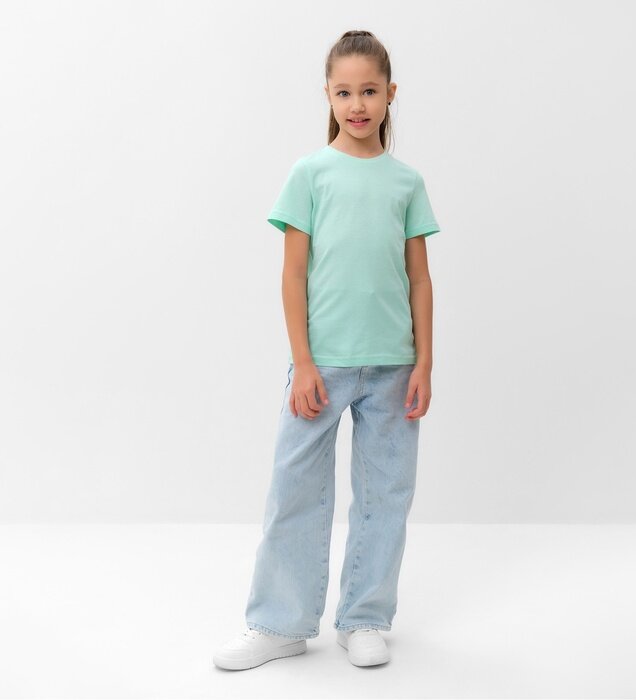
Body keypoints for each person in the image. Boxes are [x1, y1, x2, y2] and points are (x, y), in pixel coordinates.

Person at [213, 29, 440, 671]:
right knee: (296, 490)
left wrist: (425, 362)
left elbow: (420, 279)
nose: (357, 104)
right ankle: (279, 623)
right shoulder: (310, 174)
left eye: (369, 91)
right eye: (344, 92)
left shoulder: (406, 182)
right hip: (323, 365)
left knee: (385, 495)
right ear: (328, 96)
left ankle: (364, 617)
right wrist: (304, 362)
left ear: (390, 94)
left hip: (394, 367)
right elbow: (293, 275)